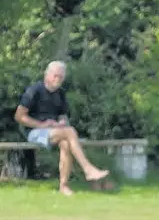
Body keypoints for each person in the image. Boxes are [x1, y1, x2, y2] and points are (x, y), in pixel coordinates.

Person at [14, 61, 109, 196]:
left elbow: (62, 115)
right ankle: (88, 169)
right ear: (47, 74)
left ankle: (64, 186)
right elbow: (19, 116)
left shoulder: (60, 94)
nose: (58, 79)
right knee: (70, 132)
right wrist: (41, 125)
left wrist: (62, 122)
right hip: (34, 132)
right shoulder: (34, 91)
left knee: (65, 143)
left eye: (61, 77)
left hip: (55, 131)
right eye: (55, 76)